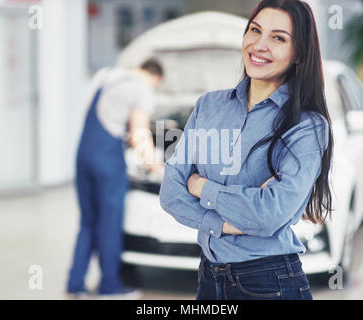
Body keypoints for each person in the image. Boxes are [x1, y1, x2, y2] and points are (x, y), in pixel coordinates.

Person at [159, 0, 333, 300]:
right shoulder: (209, 106)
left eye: (278, 38)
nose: (259, 45)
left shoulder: (307, 126)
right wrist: (223, 222)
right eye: (255, 30)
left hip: (270, 281)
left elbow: (268, 214)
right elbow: (171, 193)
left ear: (299, 55)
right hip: (209, 278)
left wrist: (201, 186)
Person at [66, 59, 164, 299]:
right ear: (156, 78)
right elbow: (139, 135)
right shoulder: (141, 88)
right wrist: (156, 166)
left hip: (83, 154)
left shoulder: (106, 75)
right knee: (109, 223)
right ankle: (109, 287)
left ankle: (75, 284)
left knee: (87, 221)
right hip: (107, 159)